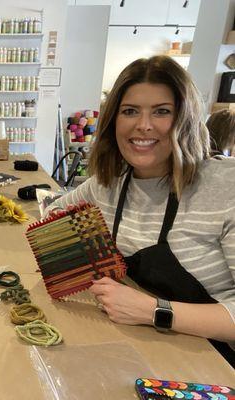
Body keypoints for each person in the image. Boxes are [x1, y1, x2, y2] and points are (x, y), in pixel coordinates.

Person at [46, 55, 235, 366]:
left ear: (184, 119)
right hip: (141, 352)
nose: (143, 125)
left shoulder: (224, 187)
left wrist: (154, 311)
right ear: (113, 122)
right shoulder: (108, 185)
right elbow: (52, 215)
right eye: (130, 111)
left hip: (213, 367)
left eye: (162, 112)